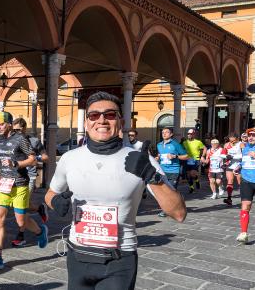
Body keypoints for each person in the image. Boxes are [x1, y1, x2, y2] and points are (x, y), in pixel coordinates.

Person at [45, 91, 186, 289]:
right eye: (94, 115)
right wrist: (55, 202)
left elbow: (178, 213)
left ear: (120, 121)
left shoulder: (141, 160)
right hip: (77, 257)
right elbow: (50, 194)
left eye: (109, 115)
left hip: (119, 260)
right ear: (86, 123)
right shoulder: (70, 158)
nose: (101, 120)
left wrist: (152, 177)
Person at [0, 111, 48, 269]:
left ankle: (40, 232)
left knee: (22, 221)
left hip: (20, 185)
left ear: (9, 124)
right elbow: (4, 160)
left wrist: (17, 165)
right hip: (3, 185)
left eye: (1, 124)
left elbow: (32, 159)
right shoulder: (0, 140)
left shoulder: (21, 139)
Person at [10, 117, 49, 247]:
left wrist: (32, 158)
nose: (15, 133)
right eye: (13, 130)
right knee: (20, 207)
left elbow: (45, 157)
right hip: (15, 178)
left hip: (29, 178)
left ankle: (21, 236)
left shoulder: (34, 141)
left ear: (24, 129)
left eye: (18, 130)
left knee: (23, 209)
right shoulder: (12, 140)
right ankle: (39, 208)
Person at [147, 127, 187, 217]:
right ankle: (172, 204)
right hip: (162, 171)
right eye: (162, 132)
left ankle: (168, 209)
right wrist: (157, 158)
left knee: (171, 190)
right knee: (165, 191)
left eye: (166, 132)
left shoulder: (175, 144)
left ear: (171, 134)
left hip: (173, 171)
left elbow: (186, 156)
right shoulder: (159, 145)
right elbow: (159, 156)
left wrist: (175, 156)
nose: (164, 134)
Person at [182, 129, 207, 193]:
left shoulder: (198, 142)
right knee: (188, 175)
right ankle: (192, 187)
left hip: (195, 159)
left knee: (192, 173)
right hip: (187, 159)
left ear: (194, 134)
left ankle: (196, 179)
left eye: (191, 134)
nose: (189, 135)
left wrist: (202, 156)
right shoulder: (184, 142)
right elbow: (181, 150)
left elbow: (205, 148)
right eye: (188, 134)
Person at [223, 135, 243, 205]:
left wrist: (233, 156)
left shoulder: (241, 144)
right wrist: (226, 157)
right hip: (230, 165)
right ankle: (229, 198)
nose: (232, 142)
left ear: (237, 138)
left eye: (233, 140)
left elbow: (244, 155)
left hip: (239, 165)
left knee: (240, 182)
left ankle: (244, 198)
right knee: (230, 181)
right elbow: (223, 154)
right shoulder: (226, 144)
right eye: (230, 140)